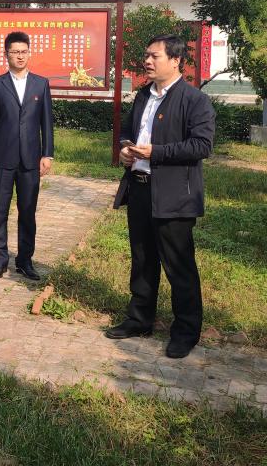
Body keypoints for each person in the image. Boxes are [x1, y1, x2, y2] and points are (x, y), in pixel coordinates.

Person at [106, 34, 215, 359]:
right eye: (147, 55)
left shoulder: (194, 100)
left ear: (176, 61)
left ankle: (186, 331)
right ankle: (139, 319)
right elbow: (128, 131)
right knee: (142, 259)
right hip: (139, 188)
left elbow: (202, 145)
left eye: (154, 56)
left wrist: (156, 152)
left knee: (178, 265)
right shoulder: (143, 96)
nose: (147, 61)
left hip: (174, 195)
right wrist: (125, 150)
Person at [0, 31, 55, 281]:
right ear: (7, 55)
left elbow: (47, 122)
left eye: (24, 51)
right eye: (15, 52)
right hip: (2, 159)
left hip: (30, 159)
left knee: (27, 212)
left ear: (29, 53)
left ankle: (25, 261)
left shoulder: (40, 84)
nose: (20, 56)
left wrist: (47, 154)